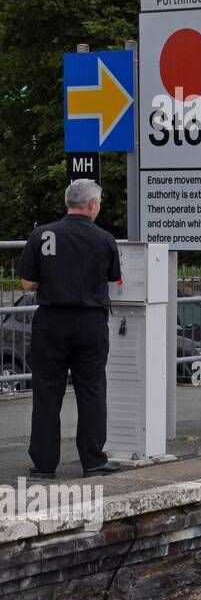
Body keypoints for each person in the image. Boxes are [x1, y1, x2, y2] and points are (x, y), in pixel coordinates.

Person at [16, 179, 123, 478]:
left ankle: (44, 464)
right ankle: (93, 461)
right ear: (91, 205)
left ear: (68, 202)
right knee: (91, 391)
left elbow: (28, 284)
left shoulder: (42, 235)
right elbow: (114, 278)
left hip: (51, 322)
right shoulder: (104, 238)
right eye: (98, 204)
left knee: (47, 393)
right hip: (90, 323)